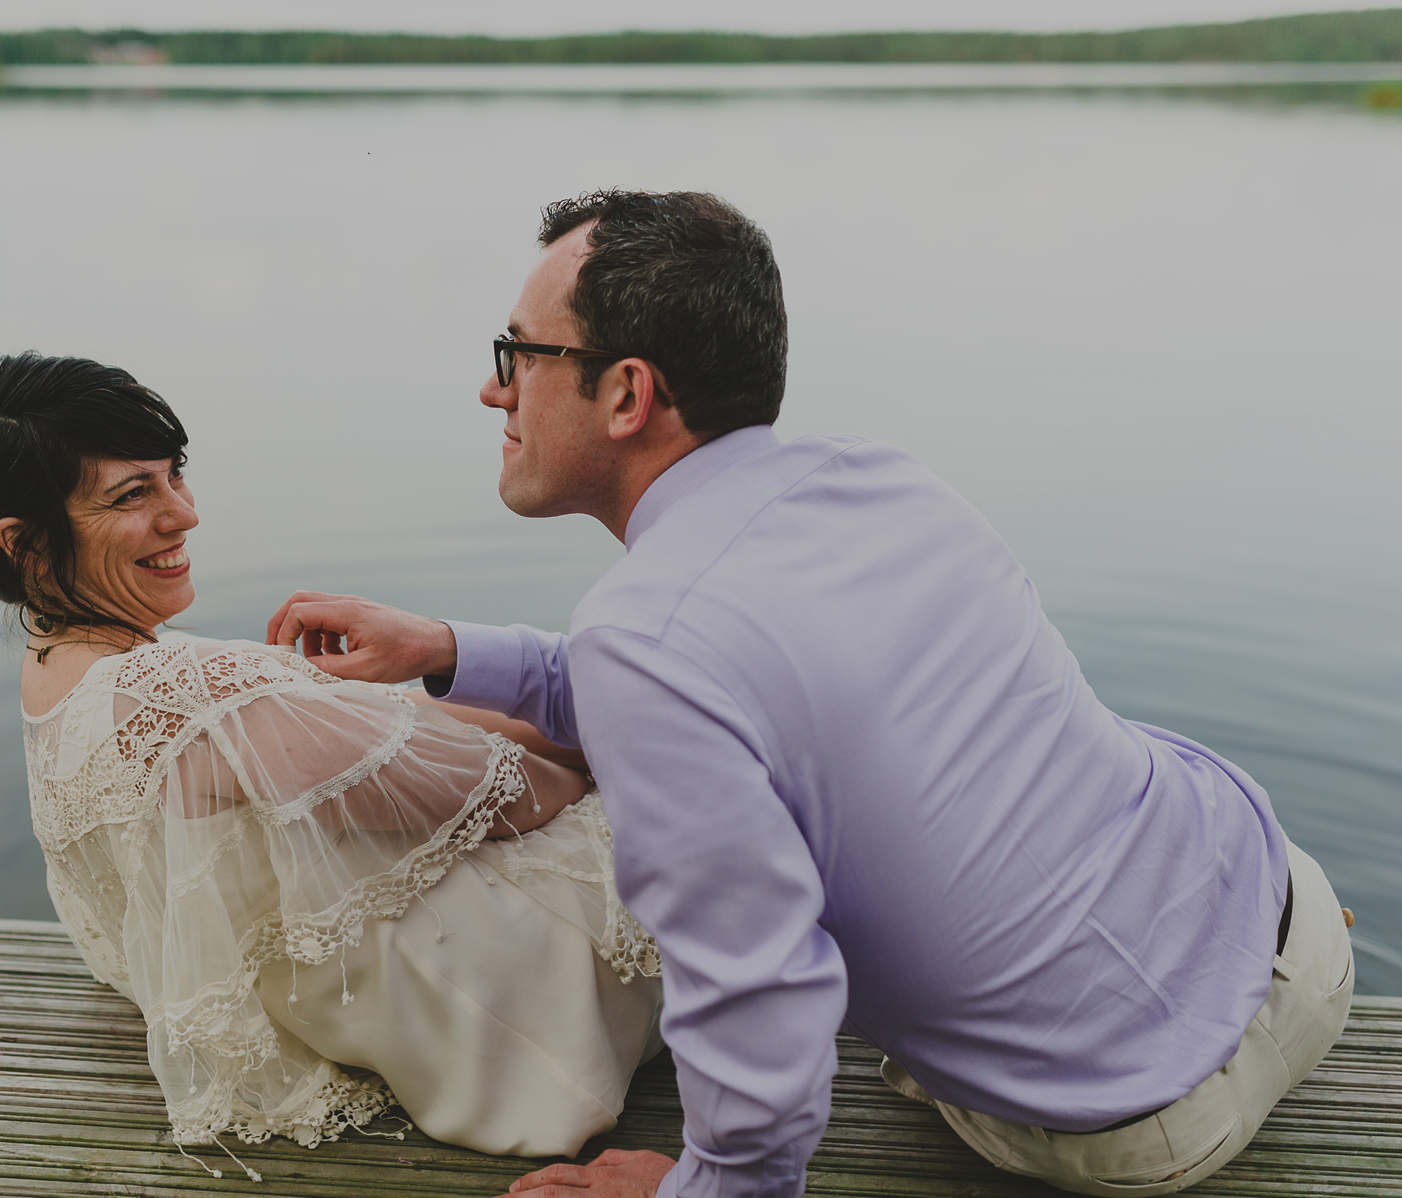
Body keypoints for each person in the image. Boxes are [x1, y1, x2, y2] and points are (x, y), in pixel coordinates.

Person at [266, 190, 1357, 1198]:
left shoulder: (649, 637)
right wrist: (447, 648)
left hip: (1131, 1120)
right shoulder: (879, 480)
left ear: (628, 393)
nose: (494, 386)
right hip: (1296, 928)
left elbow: (763, 994)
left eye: (520, 353)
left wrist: (704, 1187)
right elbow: (704, 684)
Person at [0, 352, 663, 1175]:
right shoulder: (187, 690)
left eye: (175, 477)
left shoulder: (61, 678)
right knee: (688, 809)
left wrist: (517, 717)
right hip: (482, 1007)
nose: (182, 515)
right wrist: (592, 756)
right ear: (22, 543)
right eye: (133, 494)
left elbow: (389, 724)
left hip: (332, 990)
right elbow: (510, 796)